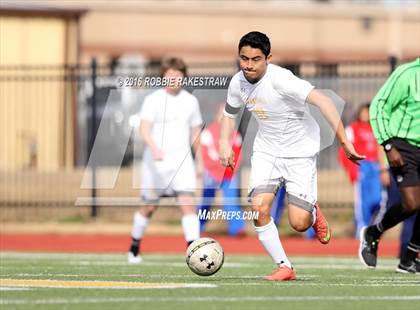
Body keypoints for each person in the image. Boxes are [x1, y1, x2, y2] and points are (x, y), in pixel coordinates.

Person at [219, 31, 364, 281]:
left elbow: (325, 102)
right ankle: (284, 266)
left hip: (300, 152)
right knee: (258, 207)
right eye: (244, 59)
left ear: (268, 58)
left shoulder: (282, 79)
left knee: (299, 223)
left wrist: (344, 140)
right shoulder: (237, 82)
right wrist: (224, 143)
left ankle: (313, 212)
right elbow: (229, 114)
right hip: (267, 151)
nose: (249, 65)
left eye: (255, 59)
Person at [128, 57, 203, 264]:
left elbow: (195, 133)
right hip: (156, 163)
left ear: (184, 77)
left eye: (178, 75)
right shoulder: (153, 100)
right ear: (163, 77)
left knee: (188, 204)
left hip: (182, 162)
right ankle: (134, 247)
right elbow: (144, 128)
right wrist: (154, 148)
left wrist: (200, 162)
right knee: (149, 207)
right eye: (170, 75)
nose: (174, 79)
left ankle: (193, 251)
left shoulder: (191, 101)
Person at [359, 58, 420, 273]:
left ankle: (409, 259)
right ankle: (373, 233)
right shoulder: (406, 74)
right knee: (411, 204)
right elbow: (379, 106)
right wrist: (387, 145)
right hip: (402, 146)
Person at [338, 103, 386, 239]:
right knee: (362, 202)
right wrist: (353, 170)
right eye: (363, 112)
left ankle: (372, 227)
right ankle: (361, 230)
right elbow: (343, 152)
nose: (366, 115)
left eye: (368, 112)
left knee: (379, 200)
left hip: (375, 167)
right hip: (362, 166)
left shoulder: (375, 129)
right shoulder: (352, 129)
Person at [198, 103, 245, 236]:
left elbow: (238, 155)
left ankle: (237, 229)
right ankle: (197, 227)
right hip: (211, 173)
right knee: (206, 201)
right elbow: (205, 154)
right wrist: (210, 167)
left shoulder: (235, 135)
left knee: (231, 201)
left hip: (229, 174)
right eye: (223, 115)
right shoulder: (208, 132)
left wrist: (231, 169)